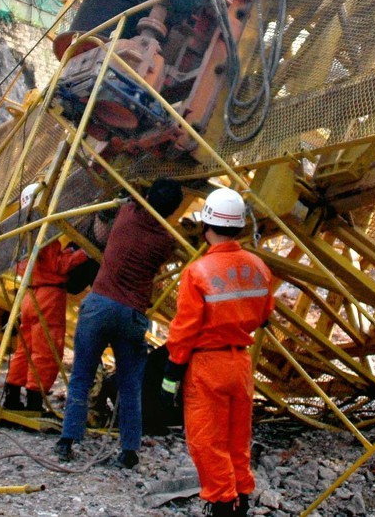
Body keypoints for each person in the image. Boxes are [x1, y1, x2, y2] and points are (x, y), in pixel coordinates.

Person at [56, 178, 184, 468]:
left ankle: (68, 441)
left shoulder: (126, 215)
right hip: (132, 315)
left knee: (81, 378)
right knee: (130, 385)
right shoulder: (166, 242)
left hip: (99, 305)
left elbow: (113, 212)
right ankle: (129, 451)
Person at [161, 188, 274, 517]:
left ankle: (222, 504)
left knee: (207, 441)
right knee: (238, 438)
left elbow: (185, 329)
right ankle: (241, 499)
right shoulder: (259, 267)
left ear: (206, 225)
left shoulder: (198, 273)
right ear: (239, 226)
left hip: (207, 364)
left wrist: (171, 375)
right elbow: (265, 315)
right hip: (240, 363)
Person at [4, 184, 91, 414]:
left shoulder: (24, 230)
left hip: (30, 295)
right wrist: (83, 253)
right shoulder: (43, 232)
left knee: (25, 348)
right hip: (49, 297)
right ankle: (34, 402)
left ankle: (12, 398)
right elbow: (59, 265)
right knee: (46, 351)